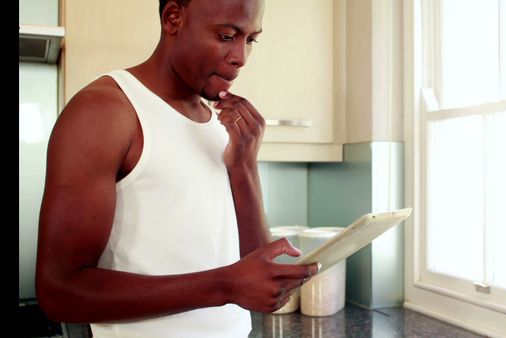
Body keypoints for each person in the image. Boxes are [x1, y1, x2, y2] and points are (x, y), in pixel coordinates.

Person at [34, 0, 320, 336]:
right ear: (173, 17)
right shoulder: (105, 111)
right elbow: (60, 291)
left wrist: (244, 165)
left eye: (251, 40)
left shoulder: (219, 124)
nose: (241, 57)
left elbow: (257, 268)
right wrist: (225, 285)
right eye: (227, 36)